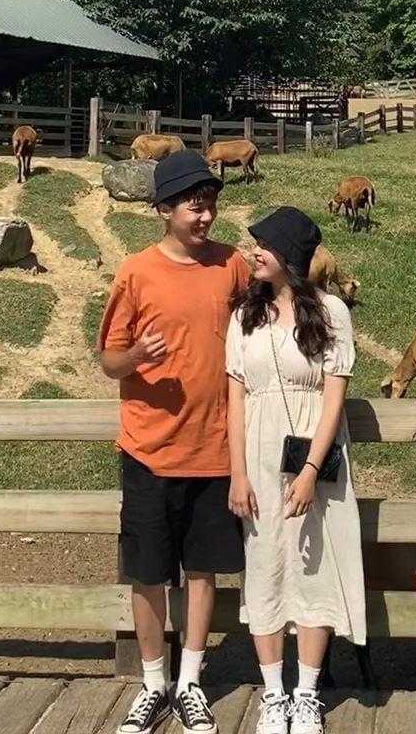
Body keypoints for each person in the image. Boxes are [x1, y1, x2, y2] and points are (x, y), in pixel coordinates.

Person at [99, 149, 251, 734]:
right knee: (148, 573)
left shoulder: (233, 266)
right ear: (163, 209)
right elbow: (109, 360)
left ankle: (190, 683)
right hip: (149, 450)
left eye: (210, 203)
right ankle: (153, 681)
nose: (205, 214)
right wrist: (135, 357)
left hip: (215, 451)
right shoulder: (135, 272)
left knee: (205, 572)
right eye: (193, 204)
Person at [226, 207, 365, 734]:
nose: (252, 252)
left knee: (315, 568)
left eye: (262, 244)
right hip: (259, 456)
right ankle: (274, 694)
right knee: (264, 565)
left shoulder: (331, 313)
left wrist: (309, 470)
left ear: (289, 255)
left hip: (316, 455)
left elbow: (334, 400)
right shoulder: (244, 315)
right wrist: (237, 473)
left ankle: (307, 694)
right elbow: (235, 398)